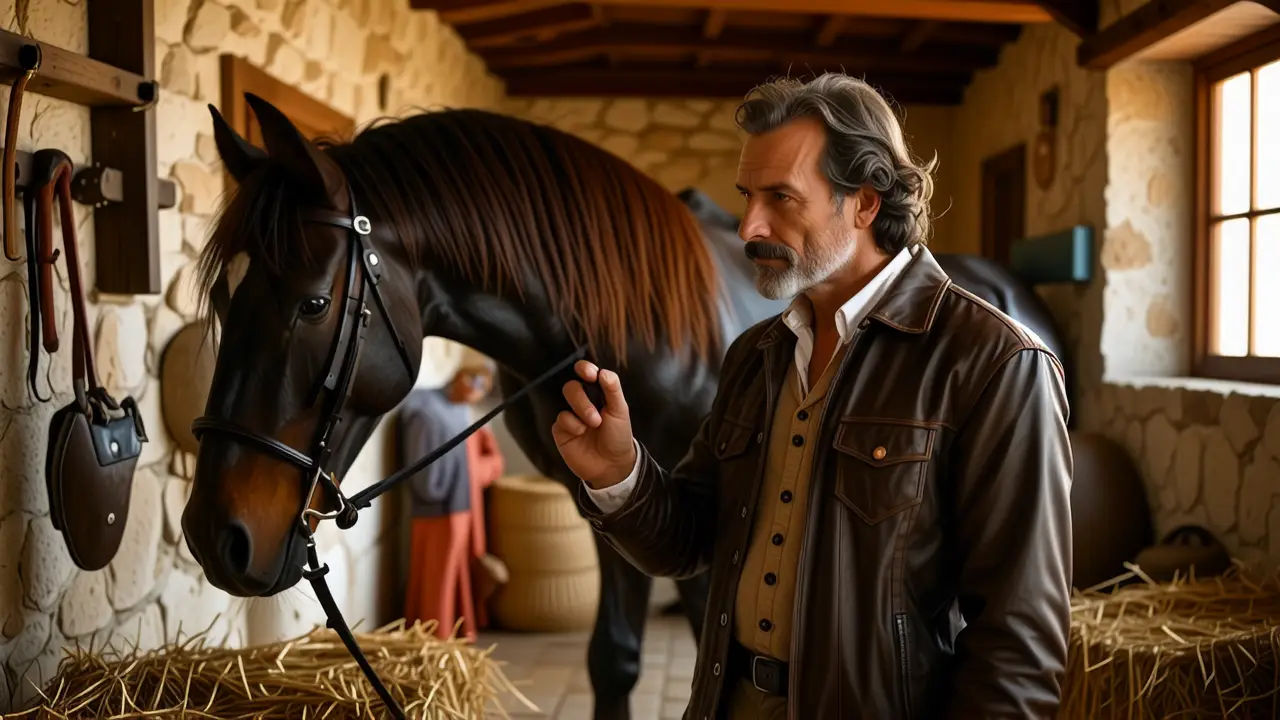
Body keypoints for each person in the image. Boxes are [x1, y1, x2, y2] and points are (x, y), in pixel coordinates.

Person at [552, 73, 1073, 719]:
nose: (748, 225)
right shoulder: (756, 355)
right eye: (746, 195)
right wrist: (619, 474)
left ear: (866, 203)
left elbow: (1018, 645)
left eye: (781, 197)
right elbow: (689, 543)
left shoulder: (995, 362)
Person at [400, 348, 507, 641]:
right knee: (437, 580)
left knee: (455, 577)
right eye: (475, 382)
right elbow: (424, 480)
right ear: (461, 376)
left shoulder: (459, 410)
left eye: (484, 387)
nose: (477, 392)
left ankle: (457, 631)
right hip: (438, 511)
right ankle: (436, 638)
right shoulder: (426, 412)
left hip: (460, 508)